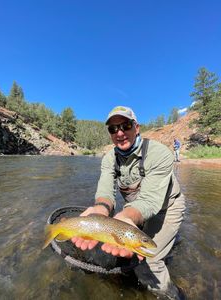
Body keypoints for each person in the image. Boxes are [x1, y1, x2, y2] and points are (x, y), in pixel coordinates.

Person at [72, 106, 186, 299]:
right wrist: (101, 210)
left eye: (125, 125)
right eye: (113, 128)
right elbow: (105, 193)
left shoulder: (159, 154)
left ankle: (170, 294)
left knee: (151, 260)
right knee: (125, 249)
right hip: (134, 211)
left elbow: (150, 200)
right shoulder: (109, 158)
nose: (120, 132)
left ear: (137, 127)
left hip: (167, 208)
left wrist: (124, 217)